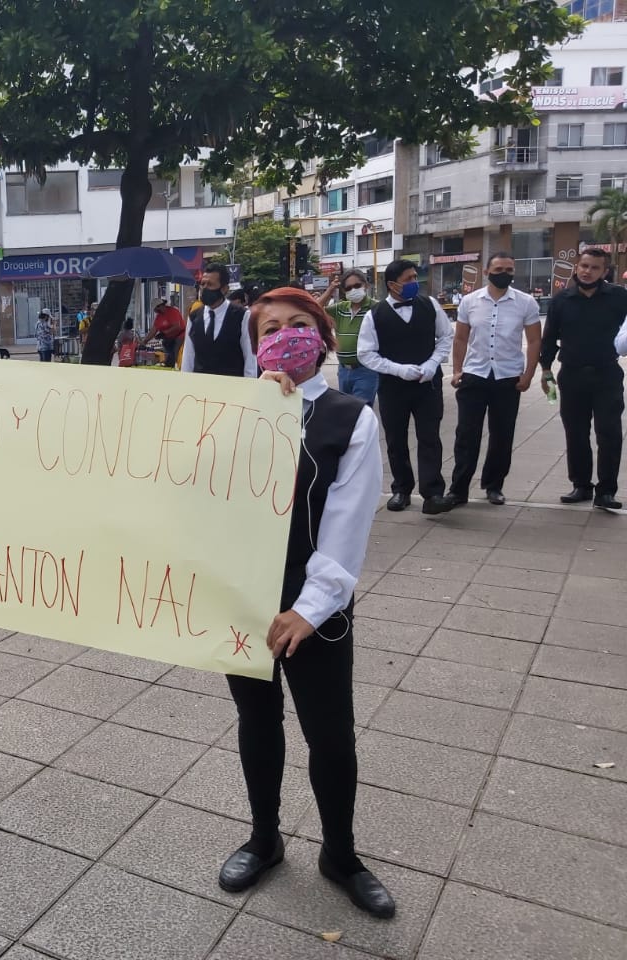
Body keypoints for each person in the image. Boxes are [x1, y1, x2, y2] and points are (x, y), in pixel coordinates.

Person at [219, 286, 394, 920]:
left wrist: (310, 607)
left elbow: (348, 523)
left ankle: (340, 855)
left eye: (299, 324)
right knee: (257, 722)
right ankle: (264, 840)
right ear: (255, 344)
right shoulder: (229, 412)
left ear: (321, 337)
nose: (285, 335)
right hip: (242, 597)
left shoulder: (351, 417)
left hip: (313, 605)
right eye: (270, 328)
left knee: (331, 734)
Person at [357, 260, 455, 514]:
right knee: (395, 439)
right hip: (393, 387)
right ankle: (401, 489)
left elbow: (446, 336)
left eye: (414, 277)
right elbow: (365, 353)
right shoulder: (375, 315)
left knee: (430, 437)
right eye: (408, 279)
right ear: (392, 284)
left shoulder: (429, 305)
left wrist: (433, 363)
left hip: (427, 384)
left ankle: (433, 493)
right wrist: (397, 369)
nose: (414, 282)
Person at [447, 252, 541, 507]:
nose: (504, 274)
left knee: (502, 435)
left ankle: (493, 485)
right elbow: (460, 338)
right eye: (499, 269)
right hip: (474, 376)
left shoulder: (526, 303)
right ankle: (458, 489)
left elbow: (534, 340)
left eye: (509, 270)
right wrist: (457, 370)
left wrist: (529, 375)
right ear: (487, 272)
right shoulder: (470, 301)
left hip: (508, 378)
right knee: (467, 435)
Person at [539, 247, 627, 510]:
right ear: (577, 267)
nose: (588, 271)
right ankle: (581, 485)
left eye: (595, 267)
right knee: (576, 433)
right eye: (584, 266)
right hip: (572, 375)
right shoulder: (561, 300)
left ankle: (606, 492)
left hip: (607, 375)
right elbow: (549, 338)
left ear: (605, 271)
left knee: (609, 433)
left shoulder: (619, 297)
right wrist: (546, 370)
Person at [182, 263, 258, 377]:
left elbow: (250, 358)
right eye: (203, 284)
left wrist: (250, 384)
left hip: (232, 384)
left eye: (210, 284)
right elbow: (188, 357)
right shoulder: (194, 317)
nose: (204, 288)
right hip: (201, 385)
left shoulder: (242, 316)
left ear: (224, 289)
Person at [329, 269, 379, 407]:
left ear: (365, 285)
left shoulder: (376, 308)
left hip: (366, 370)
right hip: (343, 371)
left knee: (360, 411)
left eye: (357, 286)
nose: (353, 290)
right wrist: (330, 289)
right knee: (347, 412)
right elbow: (314, 309)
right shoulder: (340, 308)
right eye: (348, 288)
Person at [147, 298, 186, 368]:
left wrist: (164, 333)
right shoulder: (159, 317)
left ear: (160, 306)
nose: (156, 311)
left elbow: (177, 326)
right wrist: (145, 341)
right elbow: (153, 330)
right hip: (168, 338)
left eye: (156, 309)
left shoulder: (172, 311)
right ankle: (169, 365)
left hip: (180, 335)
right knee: (167, 351)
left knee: (176, 351)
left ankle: (178, 366)